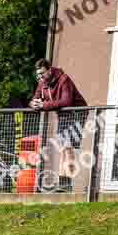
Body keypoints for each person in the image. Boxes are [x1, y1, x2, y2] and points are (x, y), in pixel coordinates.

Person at [30, 59, 88, 191]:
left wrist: (44, 105)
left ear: (49, 70)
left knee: (68, 149)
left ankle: (67, 184)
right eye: (38, 75)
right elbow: (35, 99)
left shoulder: (63, 79)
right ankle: (63, 182)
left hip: (75, 115)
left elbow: (66, 101)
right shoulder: (42, 83)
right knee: (62, 149)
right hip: (62, 116)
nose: (40, 77)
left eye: (42, 73)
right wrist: (33, 104)